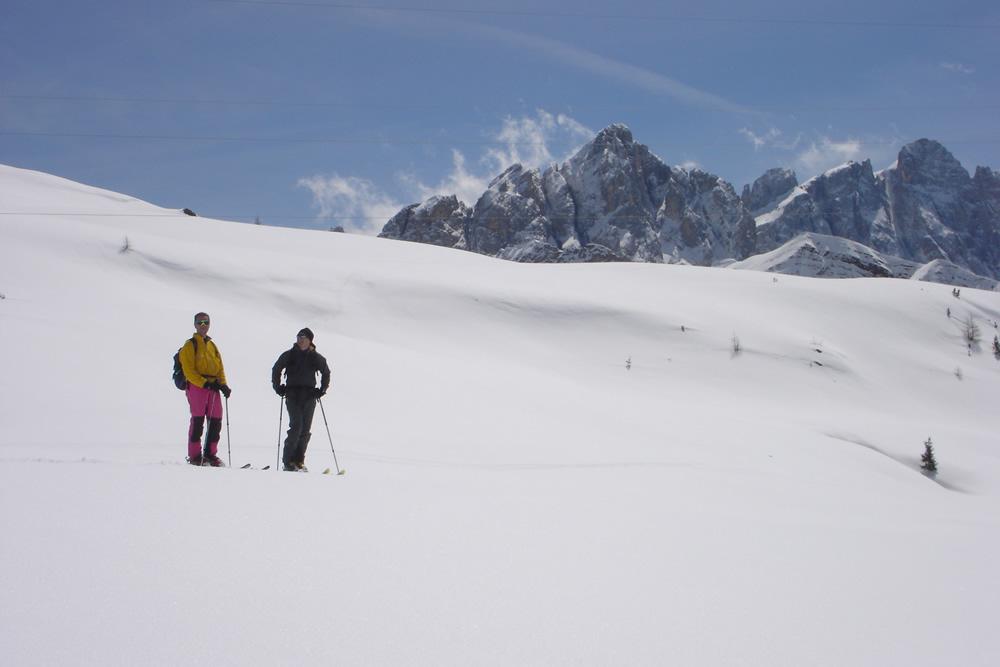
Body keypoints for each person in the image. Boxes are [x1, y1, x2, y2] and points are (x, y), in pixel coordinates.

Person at [272, 327, 331, 472]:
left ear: (310, 340)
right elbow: (277, 368)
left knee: (305, 430)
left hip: (309, 396)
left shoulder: (315, 357)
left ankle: (298, 461)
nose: (300, 340)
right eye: (298, 337)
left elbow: (326, 371)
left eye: (303, 337)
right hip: (292, 395)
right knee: (296, 426)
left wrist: (322, 390)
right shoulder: (290, 355)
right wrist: (278, 387)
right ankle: (288, 462)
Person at [178, 312, 232, 466]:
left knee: (216, 421)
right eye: (200, 322)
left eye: (206, 322)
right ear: (195, 324)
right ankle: (195, 456)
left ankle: (210, 455)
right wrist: (204, 383)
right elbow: (188, 370)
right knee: (198, 420)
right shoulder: (190, 345)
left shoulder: (212, 345)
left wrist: (223, 384)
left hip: (213, 387)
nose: (203, 325)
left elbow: (219, 367)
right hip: (197, 387)